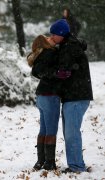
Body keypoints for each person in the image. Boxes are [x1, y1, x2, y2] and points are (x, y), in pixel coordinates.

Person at [49, 19, 93, 173]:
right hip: (73, 96)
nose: (52, 37)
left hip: (76, 96)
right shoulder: (67, 46)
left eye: (53, 34)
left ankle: (76, 166)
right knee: (70, 132)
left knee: (71, 133)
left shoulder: (69, 47)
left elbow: (63, 70)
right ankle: (75, 164)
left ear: (61, 34)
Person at [28, 34, 71, 171]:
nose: (50, 38)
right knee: (51, 130)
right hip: (50, 95)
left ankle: (40, 161)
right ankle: (49, 162)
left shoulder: (39, 55)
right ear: (44, 43)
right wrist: (57, 73)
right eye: (47, 38)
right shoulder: (50, 53)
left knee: (44, 129)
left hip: (41, 96)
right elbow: (45, 71)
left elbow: (36, 72)